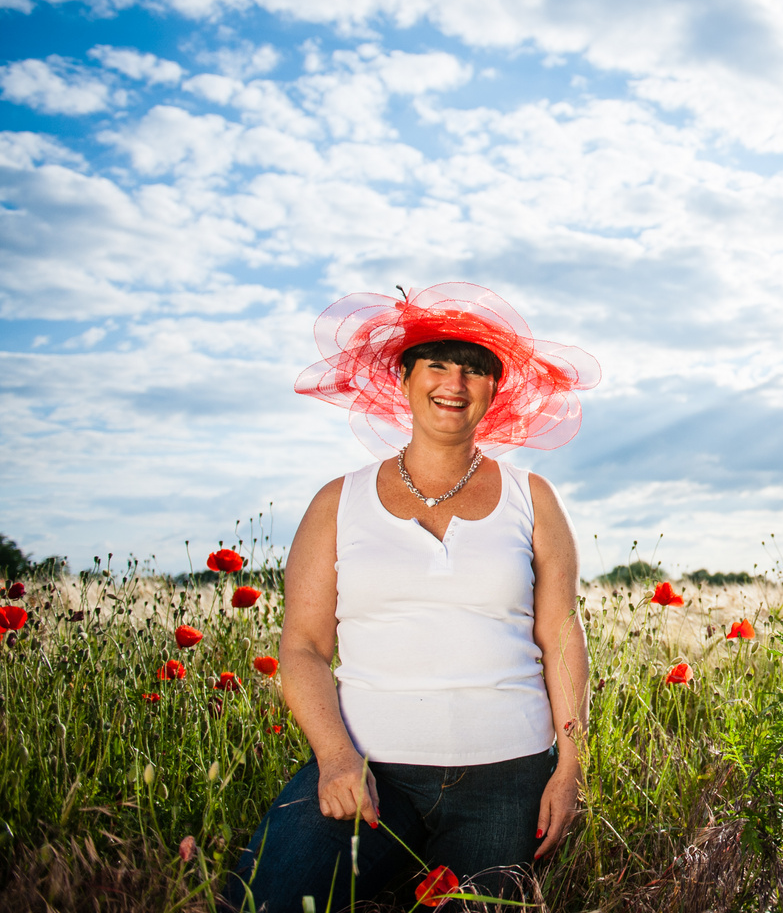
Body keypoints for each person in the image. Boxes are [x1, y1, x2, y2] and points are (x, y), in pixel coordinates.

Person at [224, 283, 601, 912]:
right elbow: (305, 647)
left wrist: (570, 766)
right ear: (403, 377)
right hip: (369, 771)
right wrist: (336, 757)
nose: (455, 382)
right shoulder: (335, 503)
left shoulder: (532, 498)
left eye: (476, 369)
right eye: (438, 364)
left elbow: (561, 635)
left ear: (493, 391)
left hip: (507, 776)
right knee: (263, 904)